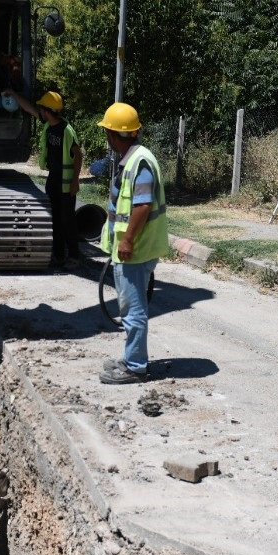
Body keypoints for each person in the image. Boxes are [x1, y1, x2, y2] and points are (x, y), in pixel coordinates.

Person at [98, 102, 167, 385]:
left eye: (108, 133)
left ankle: (136, 366)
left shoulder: (139, 163)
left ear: (114, 135)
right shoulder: (134, 159)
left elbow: (141, 206)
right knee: (131, 308)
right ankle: (131, 358)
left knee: (133, 310)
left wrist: (126, 241)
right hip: (134, 250)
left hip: (135, 251)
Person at [7, 87, 82, 265]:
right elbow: (29, 109)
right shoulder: (48, 124)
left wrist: (75, 181)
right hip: (53, 180)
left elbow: (78, 155)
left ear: (48, 111)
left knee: (67, 220)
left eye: (42, 108)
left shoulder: (66, 130)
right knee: (54, 219)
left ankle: (74, 257)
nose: (39, 110)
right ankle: (58, 255)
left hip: (66, 184)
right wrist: (15, 94)